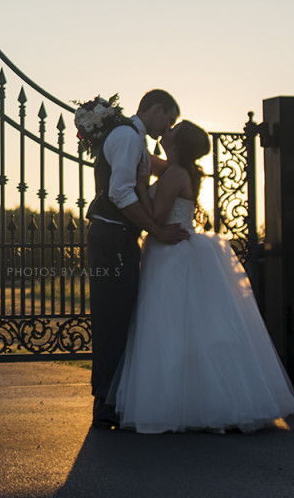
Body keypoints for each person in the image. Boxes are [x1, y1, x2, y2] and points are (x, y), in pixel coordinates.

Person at [109, 120, 294, 433]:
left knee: (169, 325)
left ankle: (179, 404)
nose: (165, 130)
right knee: (185, 327)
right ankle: (191, 400)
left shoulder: (174, 175)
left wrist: (141, 186)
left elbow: (156, 217)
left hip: (170, 253)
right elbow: (147, 161)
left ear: (177, 143)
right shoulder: (177, 170)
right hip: (172, 250)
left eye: (172, 129)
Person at [85, 89, 186, 428]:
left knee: (121, 313)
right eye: (168, 120)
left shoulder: (135, 140)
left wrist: (176, 151)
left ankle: (113, 396)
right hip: (112, 235)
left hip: (118, 236)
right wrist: (156, 231)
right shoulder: (128, 138)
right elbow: (120, 191)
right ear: (157, 109)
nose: (167, 127)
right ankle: (104, 401)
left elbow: (165, 168)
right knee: (112, 314)